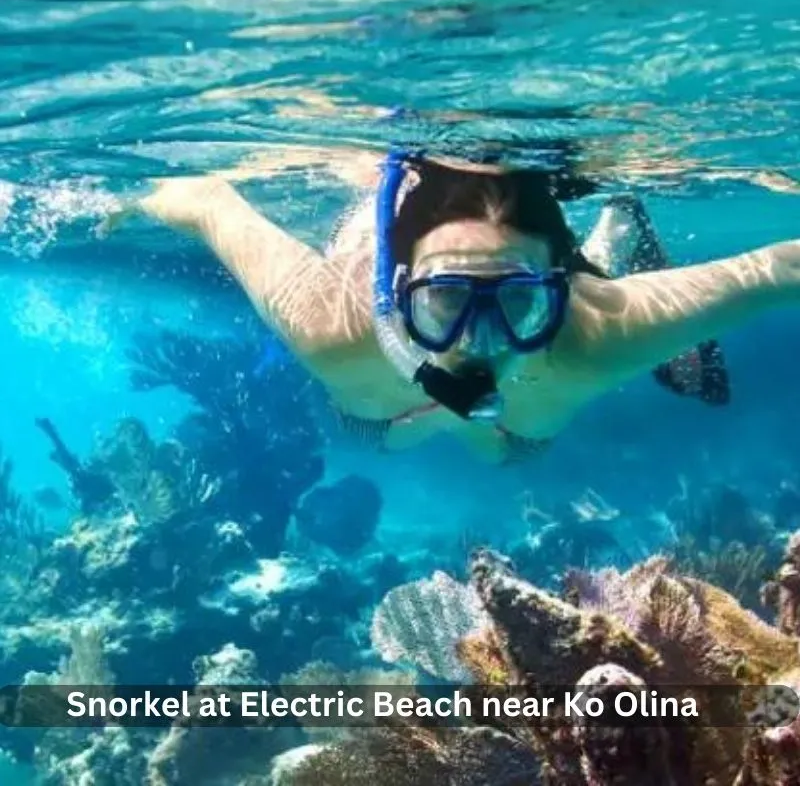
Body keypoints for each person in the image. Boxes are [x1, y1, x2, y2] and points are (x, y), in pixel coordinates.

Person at [105, 148, 799, 464]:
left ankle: (608, 237)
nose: (480, 341)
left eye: (522, 305)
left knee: (517, 446)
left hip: (517, 413)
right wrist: (125, 198)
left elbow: (778, 269)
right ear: (396, 291)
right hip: (382, 405)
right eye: (444, 301)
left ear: (560, 292)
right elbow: (207, 201)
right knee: (368, 427)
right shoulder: (330, 321)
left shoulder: (597, 329)